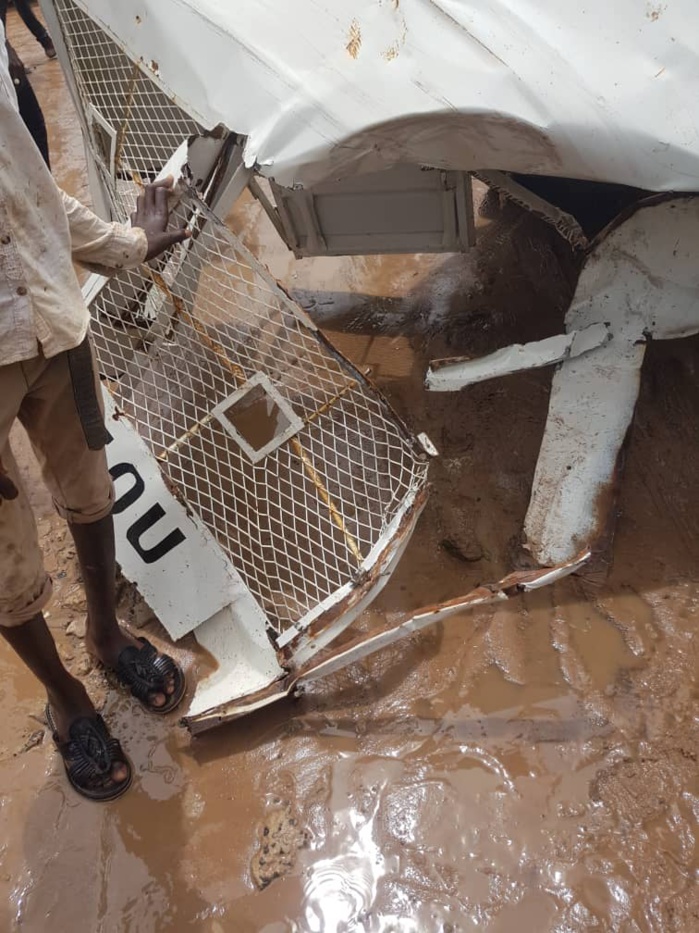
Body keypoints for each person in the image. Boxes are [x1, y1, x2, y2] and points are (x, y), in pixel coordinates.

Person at [0, 21, 190, 801]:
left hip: (50, 317)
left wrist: (126, 244)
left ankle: (106, 635)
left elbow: (31, 187)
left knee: (90, 484)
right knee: (2, 555)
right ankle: (65, 695)